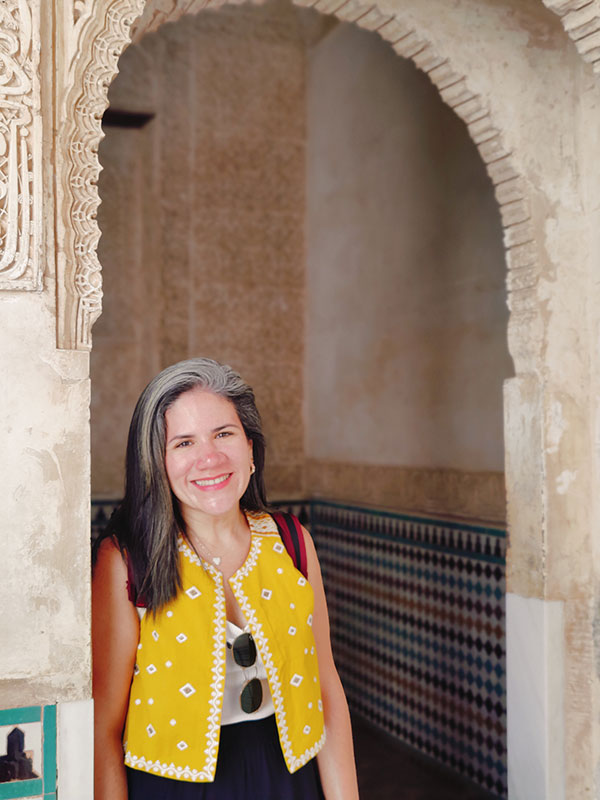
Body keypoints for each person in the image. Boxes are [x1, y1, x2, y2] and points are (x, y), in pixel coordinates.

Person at [92, 357, 359, 800]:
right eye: (183, 443)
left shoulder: (292, 542)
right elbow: (104, 727)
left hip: (290, 778)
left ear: (250, 448)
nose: (209, 458)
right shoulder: (124, 559)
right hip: (171, 788)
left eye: (223, 434)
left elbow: (326, 688)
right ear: (156, 462)